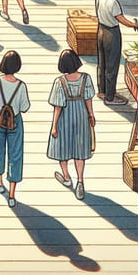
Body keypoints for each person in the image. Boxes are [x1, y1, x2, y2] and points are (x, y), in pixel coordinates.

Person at [47, 49, 96, 201]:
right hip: (81, 115)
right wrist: (91, 114)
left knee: (63, 148)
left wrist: (54, 125)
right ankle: (80, 181)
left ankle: (67, 177)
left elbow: (58, 107)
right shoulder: (86, 79)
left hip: (65, 117)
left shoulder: (59, 82)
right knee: (80, 150)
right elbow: (88, 99)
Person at [0, 50, 31, 207]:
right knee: (15, 155)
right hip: (15, 122)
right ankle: (12, 194)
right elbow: (25, 107)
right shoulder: (21, 86)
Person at [95, 0, 138, 106]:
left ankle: (102, 91)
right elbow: (121, 19)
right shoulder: (113, 3)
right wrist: (133, 24)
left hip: (100, 30)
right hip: (111, 34)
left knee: (102, 63)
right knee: (112, 66)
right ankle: (110, 97)